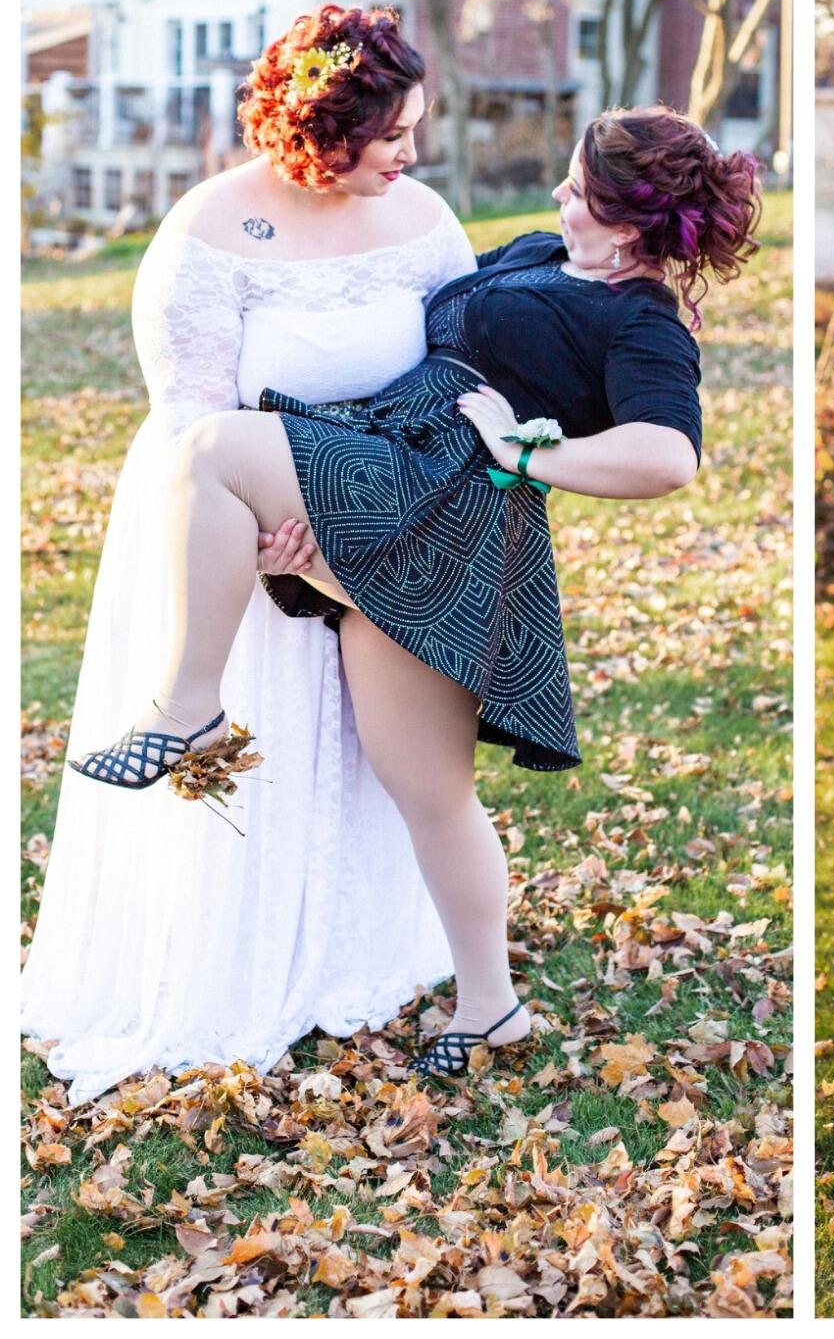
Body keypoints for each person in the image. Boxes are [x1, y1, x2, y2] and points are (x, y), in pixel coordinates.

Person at [65, 95, 760, 1085]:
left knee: (427, 784)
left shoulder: (642, 321)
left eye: (580, 189)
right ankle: (492, 1004)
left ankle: (195, 718)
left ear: (630, 223)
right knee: (421, 776)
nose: (559, 191)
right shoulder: (537, 253)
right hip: (387, 462)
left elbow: (667, 455)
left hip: (452, 507)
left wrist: (531, 450)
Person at [23, 6, 465, 1102]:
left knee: (374, 751)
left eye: (416, 127)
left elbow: (460, 373)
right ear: (323, 129)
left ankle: (352, 947)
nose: (412, 152)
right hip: (229, 531)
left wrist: (350, 498)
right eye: (392, 132)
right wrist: (286, 502)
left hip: (375, 522)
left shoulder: (426, 219)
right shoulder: (210, 227)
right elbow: (190, 412)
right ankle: (225, 956)